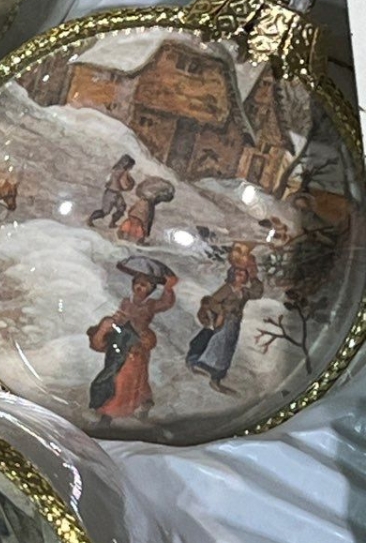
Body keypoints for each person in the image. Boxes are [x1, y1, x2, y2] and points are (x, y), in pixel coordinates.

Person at [88, 257, 178, 425]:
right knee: (115, 374)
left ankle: (111, 412)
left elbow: (166, 303)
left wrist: (168, 288)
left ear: (151, 289)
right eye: (137, 283)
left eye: (144, 285)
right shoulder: (126, 301)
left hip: (136, 344)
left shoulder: (150, 304)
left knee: (126, 379)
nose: (139, 287)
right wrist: (116, 320)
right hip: (121, 340)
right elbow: (121, 318)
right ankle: (132, 404)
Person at [187, 242, 264, 392]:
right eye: (237, 273)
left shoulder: (243, 291)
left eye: (243, 274)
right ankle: (203, 365)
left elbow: (257, 293)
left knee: (228, 348)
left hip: (234, 323)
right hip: (224, 322)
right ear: (232, 274)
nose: (240, 275)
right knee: (217, 344)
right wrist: (222, 312)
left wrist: (254, 277)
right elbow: (213, 301)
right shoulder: (227, 288)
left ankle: (217, 378)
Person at [88, 155, 137, 230]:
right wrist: (131, 184)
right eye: (131, 166)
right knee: (106, 211)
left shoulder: (116, 169)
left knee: (121, 208)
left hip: (114, 193)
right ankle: (91, 219)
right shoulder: (122, 172)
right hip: (111, 193)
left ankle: (112, 223)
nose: (131, 168)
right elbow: (124, 185)